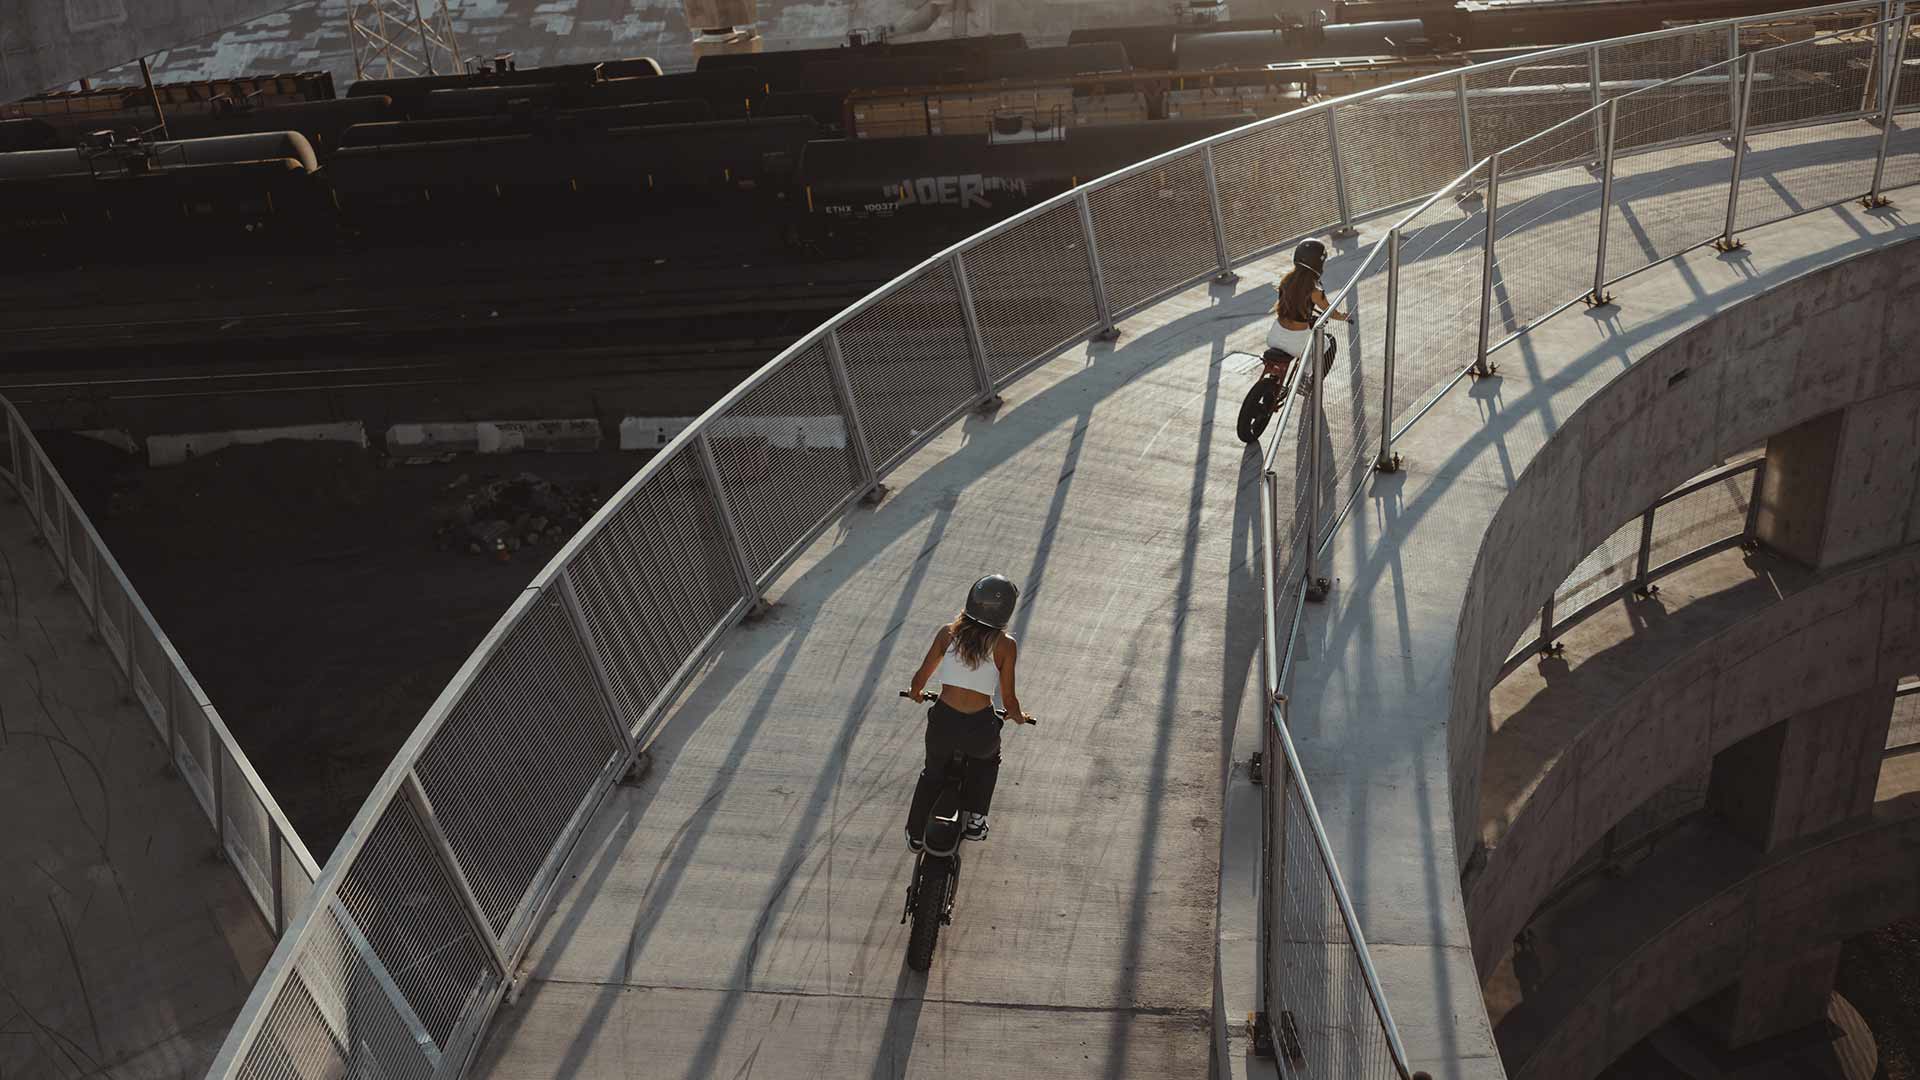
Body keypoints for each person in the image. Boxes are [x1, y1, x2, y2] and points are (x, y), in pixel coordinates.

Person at [903, 573, 1034, 850]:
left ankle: (915, 833)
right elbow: (1009, 699)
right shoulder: (1005, 645)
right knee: (987, 761)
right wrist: (1019, 717)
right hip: (979, 726)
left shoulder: (947, 633)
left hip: (944, 721)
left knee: (933, 771)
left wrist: (916, 694)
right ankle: (975, 820)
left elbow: (919, 679)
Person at [1263, 239, 1352, 395]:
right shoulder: (1315, 290)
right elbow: (1330, 311)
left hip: (1274, 336)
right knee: (1325, 344)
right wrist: (1343, 317)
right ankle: (1304, 378)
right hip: (1296, 343)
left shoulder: (1285, 280)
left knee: (1309, 342)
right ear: (1319, 264)